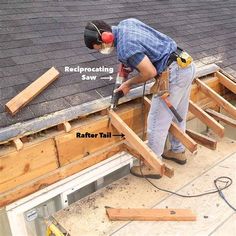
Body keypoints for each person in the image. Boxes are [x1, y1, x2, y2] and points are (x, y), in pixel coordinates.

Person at [84, 18, 196, 179]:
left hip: (174, 74)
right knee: (178, 112)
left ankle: (152, 165)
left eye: (100, 46)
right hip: (185, 65)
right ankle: (177, 151)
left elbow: (149, 72)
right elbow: (135, 55)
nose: (101, 50)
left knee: (157, 121)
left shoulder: (126, 48)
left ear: (106, 37)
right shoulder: (126, 24)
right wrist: (124, 73)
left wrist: (128, 84)